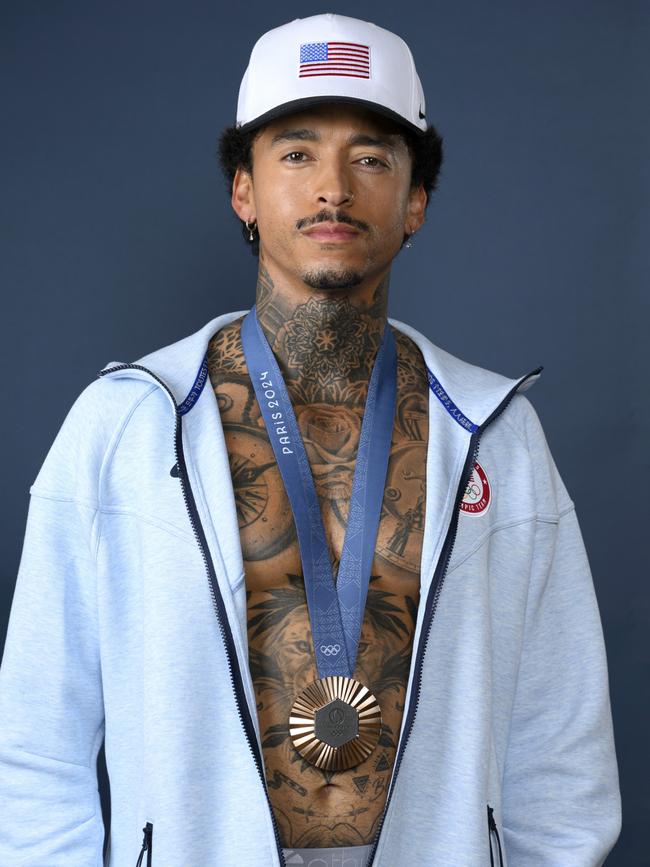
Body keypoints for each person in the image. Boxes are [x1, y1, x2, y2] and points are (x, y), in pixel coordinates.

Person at [0, 12, 621, 867]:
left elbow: (563, 750)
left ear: (416, 202)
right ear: (243, 192)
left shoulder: (497, 437)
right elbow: (33, 740)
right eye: (296, 152)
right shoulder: (125, 423)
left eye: (370, 156)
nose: (333, 186)